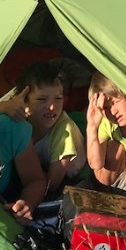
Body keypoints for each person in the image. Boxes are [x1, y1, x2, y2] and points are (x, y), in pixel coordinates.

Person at [14, 61, 86, 193]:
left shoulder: (65, 131)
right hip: (39, 171)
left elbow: (51, 186)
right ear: (24, 100)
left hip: (71, 180)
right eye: (42, 99)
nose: (52, 107)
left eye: (58, 98)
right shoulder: (19, 116)